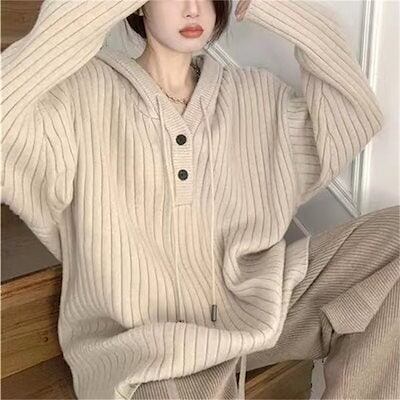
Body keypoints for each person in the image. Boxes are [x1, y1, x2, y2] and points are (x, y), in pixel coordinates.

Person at [1, 0, 398, 399]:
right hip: (148, 347)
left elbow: (354, 118)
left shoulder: (256, 94)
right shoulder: (81, 94)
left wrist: (273, 7)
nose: (194, 9)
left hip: (258, 306)